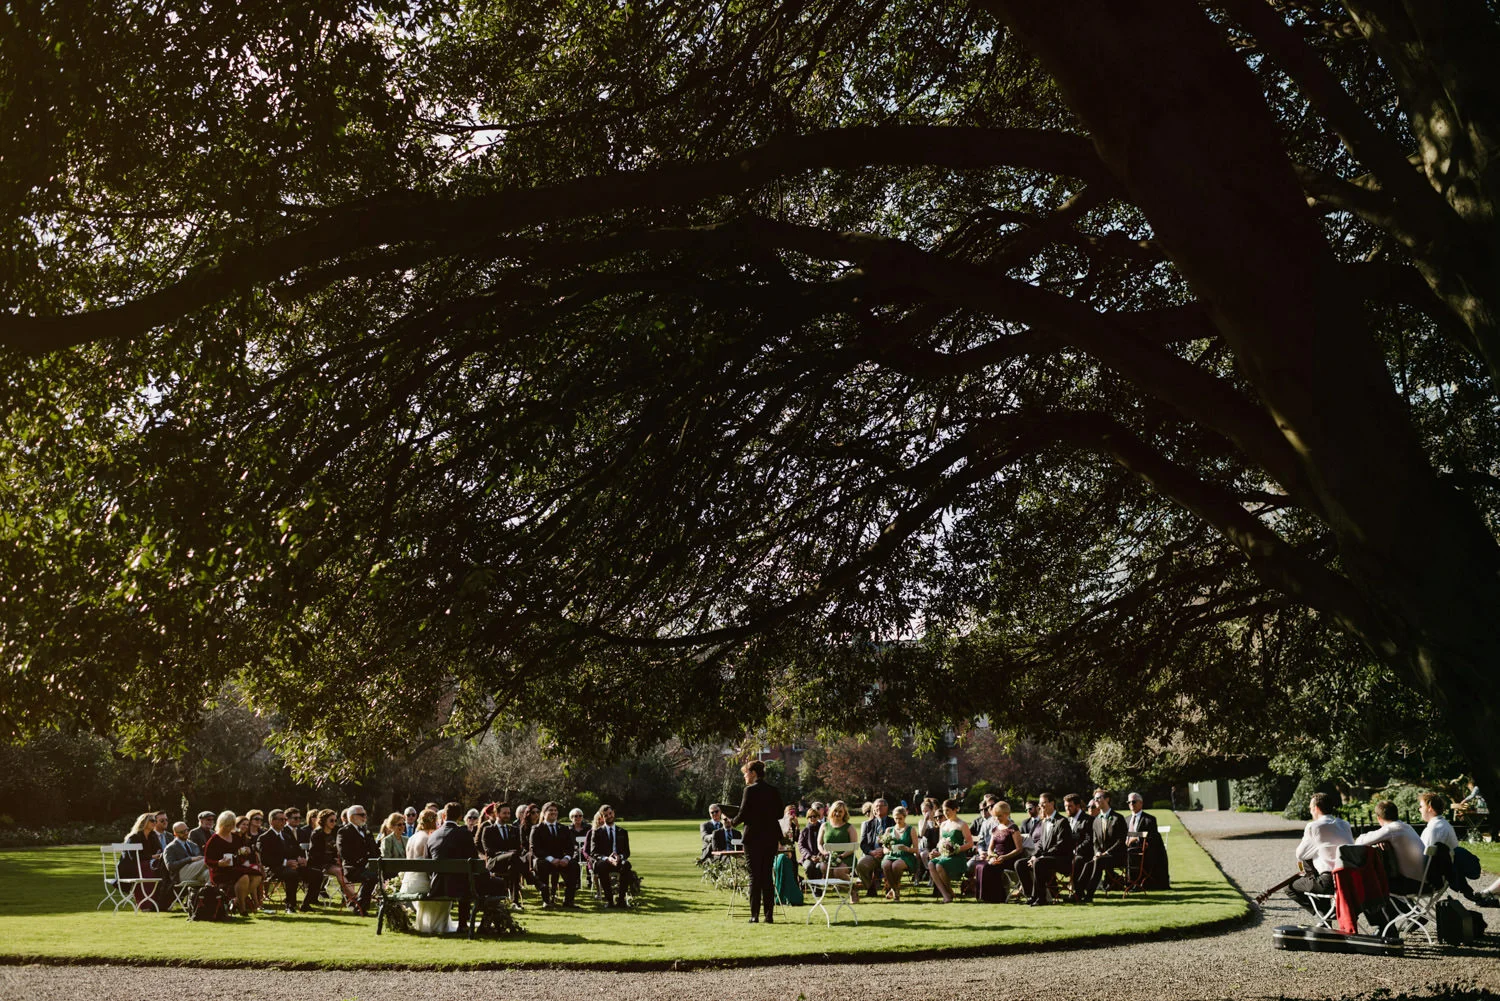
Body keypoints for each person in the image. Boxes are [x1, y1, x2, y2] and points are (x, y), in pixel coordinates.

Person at [724, 759, 784, 923]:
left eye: (746, 773)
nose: (744, 776)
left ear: (753, 773)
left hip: (753, 838)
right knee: (767, 876)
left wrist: (732, 822)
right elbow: (779, 814)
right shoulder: (773, 790)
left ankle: (754, 915)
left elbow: (743, 813)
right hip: (771, 837)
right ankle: (769, 915)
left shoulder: (749, 791)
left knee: (754, 877)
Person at [1286, 791, 1353, 916]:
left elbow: (1300, 854)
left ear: (1316, 808)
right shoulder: (1345, 825)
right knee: (1317, 874)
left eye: (1311, 808)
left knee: (1290, 888)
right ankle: (1326, 915)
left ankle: (1325, 913)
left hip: (1329, 882)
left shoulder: (1314, 826)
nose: (1311, 811)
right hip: (1350, 880)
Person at [1356, 800, 1425, 894]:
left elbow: (1359, 842)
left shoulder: (1391, 829)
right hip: (1424, 880)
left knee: (1371, 882)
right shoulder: (1407, 826)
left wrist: (1382, 838)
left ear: (1378, 818)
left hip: (1412, 884)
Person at [1071, 789, 1129, 903]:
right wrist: (1097, 852)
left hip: (1117, 856)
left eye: (1099, 798)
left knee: (1098, 862)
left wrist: (1106, 853)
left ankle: (1089, 895)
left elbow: (1120, 841)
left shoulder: (1118, 818)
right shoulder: (1096, 820)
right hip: (1101, 857)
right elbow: (1095, 841)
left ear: (1107, 799)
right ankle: (1078, 893)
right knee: (1088, 864)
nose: (1096, 800)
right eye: (1095, 798)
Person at [1017, 792, 1074, 905]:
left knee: (1038, 862)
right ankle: (1031, 896)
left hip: (1062, 860)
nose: (1041, 806)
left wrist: (1042, 856)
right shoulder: (1044, 822)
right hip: (1044, 859)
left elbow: (1061, 845)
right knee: (1019, 864)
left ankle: (1041, 898)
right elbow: (1041, 845)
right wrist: (1034, 855)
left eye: (1043, 803)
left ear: (1052, 803)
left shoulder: (1062, 821)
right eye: (1040, 804)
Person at [205, 810, 261, 916]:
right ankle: (242, 908)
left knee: (257, 875)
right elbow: (207, 860)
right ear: (221, 825)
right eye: (227, 825)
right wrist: (219, 863)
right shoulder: (214, 840)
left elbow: (239, 852)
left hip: (235, 867)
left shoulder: (235, 837)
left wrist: (244, 852)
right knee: (244, 877)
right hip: (220, 870)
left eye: (231, 825)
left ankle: (237, 900)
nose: (229, 828)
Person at [529, 801, 581, 909]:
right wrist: (551, 859)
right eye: (550, 810)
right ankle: (547, 901)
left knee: (574, 865)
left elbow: (570, 848)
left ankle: (568, 901)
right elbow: (535, 849)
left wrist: (566, 858)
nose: (554, 812)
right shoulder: (537, 829)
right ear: (544, 813)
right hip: (545, 860)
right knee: (541, 864)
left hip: (562, 861)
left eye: (555, 810)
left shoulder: (564, 829)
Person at [404, 807, 447, 933]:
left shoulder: (412, 837)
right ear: (435, 822)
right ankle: (438, 926)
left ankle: (427, 924)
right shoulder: (428, 838)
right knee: (445, 892)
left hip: (409, 882)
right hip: (422, 884)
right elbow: (429, 867)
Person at [971, 800, 1024, 901]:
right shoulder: (995, 829)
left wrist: (1004, 857)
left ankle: (995, 897)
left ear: (1007, 814)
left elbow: (1019, 849)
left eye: (999, 816)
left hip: (1009, 859)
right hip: (997, 858)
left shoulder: (1013, 828)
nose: (997, 819)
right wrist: (992, 856)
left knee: (988, 867)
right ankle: (983, 896)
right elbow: (990, 848)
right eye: (995, 816)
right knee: (980, 865)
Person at [259, 808, 309, 912]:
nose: (284, 822)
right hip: (274, 869)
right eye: (281, 819)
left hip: (291, 866)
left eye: (284, 819)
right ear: (272, 821)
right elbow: (265, 859)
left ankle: (307, 903)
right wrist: (286, 863)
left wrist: (299, 859)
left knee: (316, 874)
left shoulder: (287, 836)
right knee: (292, 874)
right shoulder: (265, 837)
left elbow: (296, 851)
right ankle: (290, 905)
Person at [477, 802, 526, 908]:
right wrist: (506, 853)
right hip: (494, 862)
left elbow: (518, 849)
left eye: (509, 813)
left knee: (514, 865)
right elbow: (489, 850)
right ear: (497, 814)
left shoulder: (514, 830)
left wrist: (510, 854)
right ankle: (533, 880)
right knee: (513, 857)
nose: (507, 815)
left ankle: (515, 901)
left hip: (510, 862)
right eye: (504, 813)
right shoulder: (488, 830)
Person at [308, 808, 359, 908]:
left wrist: (339, 859)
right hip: (320, 863)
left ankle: (349, 898)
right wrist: (333, 860)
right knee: (339, 871)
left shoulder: (337, 831)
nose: (334, 823)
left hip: (336, 861)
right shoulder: (317, 834)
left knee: (347, 869)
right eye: (331, 820)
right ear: (323, 820)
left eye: (335, 820)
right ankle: (354, 897)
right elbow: (315, 854)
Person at [927, 799, 975, 903]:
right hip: (944, 856)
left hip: (957, 858)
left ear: (955, 810)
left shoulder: (962, 824)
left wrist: (956, 849)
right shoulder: (943, 825)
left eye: (948, 810)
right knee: (931, 864)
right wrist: (936, 852)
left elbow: (970, 843)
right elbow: (940, 843)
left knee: (939, 865)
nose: (945, 813)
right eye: (944, 811)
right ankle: (946, 894)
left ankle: (949, 893)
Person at [123, 812, 173, 911]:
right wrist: (151, 856)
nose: (155, 822)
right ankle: (146, 904)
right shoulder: (134, 837)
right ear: (144, 822)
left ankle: (162, 901)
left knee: (163, 868)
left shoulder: (153, 836)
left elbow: (158, 849)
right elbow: (133, 857)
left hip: (151, 864)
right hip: (133, 866)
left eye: (155, 820)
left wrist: (158, 855)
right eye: (152, 820)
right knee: (153, 869)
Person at [337, 804, 381, 916]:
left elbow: (375, 850)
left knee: (390, 873)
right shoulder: (344, 832)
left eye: (365, 814)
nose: (364, 817)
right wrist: (364, 861)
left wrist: (379, 860)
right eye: (361, 815)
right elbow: (345, 853)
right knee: (372, 877)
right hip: (353, 868)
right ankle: (360, 907)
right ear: (352, 817)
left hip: (369, 866)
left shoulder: (367, 831)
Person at [588, 804, 633, 908]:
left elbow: (627, 852)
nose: (609, 816)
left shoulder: (623, 832)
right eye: (606, 815)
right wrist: (607, 858)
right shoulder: (597, 833)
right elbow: (593, 852)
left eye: (610, 813)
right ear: (602, 817)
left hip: (619, 861)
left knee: (626, 865)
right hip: (605, 862)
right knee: (601, 866)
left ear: (614, 813)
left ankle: (621, 900)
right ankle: (609, 900)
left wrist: (620, 857)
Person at [1124, 792, 1170, 888]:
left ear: (1141, 803)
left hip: (1145, 849)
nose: (1131, 804)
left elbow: (1152, 836)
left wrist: (1135, 838)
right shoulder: (1126, 820)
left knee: (1132, 853)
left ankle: (1134, 882)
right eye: (1129, 802)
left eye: (1133, 802)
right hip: (1127, 849)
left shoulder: (1149, 819)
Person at [819, 800, 859, 902]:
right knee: (823, 867)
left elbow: (853, 846)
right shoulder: (824, 826)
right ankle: (841, 886)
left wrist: (841, 856)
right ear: (831, 811)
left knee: (838, 871)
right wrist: (824, 853)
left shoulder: (849, 827)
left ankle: (853, 890)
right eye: (835, 811)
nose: (837, 813)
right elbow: (819, 844)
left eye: (840, 811)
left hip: (846, 857)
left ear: (844, 813)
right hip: (828, 857)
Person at [880, 804, 920, 901]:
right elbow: (884, 849)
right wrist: (888, 849)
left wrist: (906, 849)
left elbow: (916, 849)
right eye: (896, 818)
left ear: (905, 817)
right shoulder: (889, 830)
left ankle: (894, 890)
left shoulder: (911, 830)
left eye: (900, 818)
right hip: (891, 855)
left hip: (905, 856)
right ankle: (895, 889)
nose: (898, 821)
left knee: (896, 866)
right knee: (885, 865)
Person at [856, 798, 894, 896]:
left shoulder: (893, 822)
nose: (878, 808)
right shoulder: (868, 824)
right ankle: (870, 887)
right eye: (876, 806)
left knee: (890, 864)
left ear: (887, 808)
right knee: (860, 864)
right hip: (873, 854)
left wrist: (885, 850)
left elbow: (898, 840)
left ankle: (889, 887)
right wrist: (871, 852)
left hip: (889, 854)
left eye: (881, 806)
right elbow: (863, 843)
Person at [164, 821, 209, 892]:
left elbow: (198, 860)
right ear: (175, 833)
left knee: (209, 873)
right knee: (206, 860)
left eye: (187, 830)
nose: (186, 833)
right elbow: (170, 866)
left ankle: (208, 899)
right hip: (180, 875)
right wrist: (189, 859)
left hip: (195, 872)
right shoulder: (170, 847)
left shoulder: (193, 845)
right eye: (182, 832)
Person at [774, 805, 804, 906]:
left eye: (793, 813)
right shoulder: (781, 824)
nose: (791, 815)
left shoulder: (794, 825)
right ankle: (782, 894)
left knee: (794, 870)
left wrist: (797, 826)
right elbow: (780, 838)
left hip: (792, 851)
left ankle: (793, 893)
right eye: (789, 813)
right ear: (785, 813)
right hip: (782, 851)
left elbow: (797, 839)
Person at [798, 802, 825, 881]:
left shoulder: (823, 829)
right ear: (807, 817)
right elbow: (801, 846)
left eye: (814, 816)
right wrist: (810, 856)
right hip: (808, 857)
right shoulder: (805, 831)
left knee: (819, 866)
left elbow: (825, 843)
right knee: (808, 866)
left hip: (821, 857)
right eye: (810, 816)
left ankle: (818, 887)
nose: (812, 818)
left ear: (818, 816)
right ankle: (812, 886)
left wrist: (820, 855)